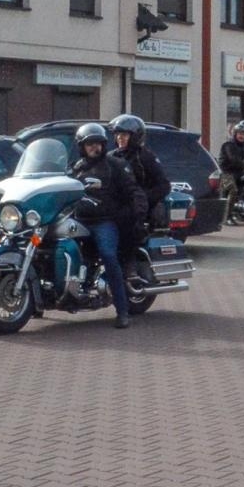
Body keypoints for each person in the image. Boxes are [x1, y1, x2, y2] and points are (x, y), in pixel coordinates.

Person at [69, 123, 144, 329]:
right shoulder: (76, 168)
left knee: (108, 255)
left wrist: (132, 216)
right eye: (89, 144)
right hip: (79, 221)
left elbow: (133, 192)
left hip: (104, 221)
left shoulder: (115, 165)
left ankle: (122, 311)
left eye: (98, 144)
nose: (95, 148)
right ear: (81, 147)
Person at [108, 113, 171, 287]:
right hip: (116, 205)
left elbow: (164, 186)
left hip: (140, 209)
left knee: (127, 224)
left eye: (124, 135)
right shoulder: (112, 156)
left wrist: (142, 198)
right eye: (118, 134)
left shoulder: (145, 157)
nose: (120, 138)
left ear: (135, 137)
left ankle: (130, 268)